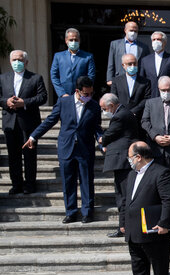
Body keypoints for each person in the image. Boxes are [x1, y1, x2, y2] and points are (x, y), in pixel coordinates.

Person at [28, 76, 101, 224]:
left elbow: (97, 128)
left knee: (87, 181)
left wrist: (102, 141)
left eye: (91, 93)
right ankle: (71, 212)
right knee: (68, 182)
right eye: (85, 94)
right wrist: (34, 136)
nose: (89, 96)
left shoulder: (94, 106)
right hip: (66, 148)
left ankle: (87, 212)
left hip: (85, 149)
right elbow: (49, 121)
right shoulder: (63, 102)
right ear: (77, 91)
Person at [121, 141, 170, 275]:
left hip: (155, 231)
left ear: (138, 157)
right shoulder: (132, 175)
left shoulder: (161, 172)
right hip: (133, 231)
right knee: (138, 269)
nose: (128, 160)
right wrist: (123, 222)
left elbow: (169, 200)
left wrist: (164, 223)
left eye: (130, 156)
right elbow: (126, 201)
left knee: (159, 269)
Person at [0, 50, 47, 194]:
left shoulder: (35, 78)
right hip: (10, 122)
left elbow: (42, 97)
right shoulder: (3, 78)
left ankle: (30, 184)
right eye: (14, 60)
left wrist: (24, 103)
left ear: (26, 62)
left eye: (19, 60)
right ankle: (16, 184)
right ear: (10, 61)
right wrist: (6, 102)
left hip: (29, 123)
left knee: (29, 155)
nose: (17, 63)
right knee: (13, 156)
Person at [98, 93, 140, 238]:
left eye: (104, 108)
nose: (104, 111)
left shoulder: (120, 116)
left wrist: (102, 139)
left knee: (123, 195)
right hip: (122, 160)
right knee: (121, 194)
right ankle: (123, 226)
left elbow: (108, 135)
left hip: (122, 160)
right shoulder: (124, 113)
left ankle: (124, 226)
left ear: (111, 106)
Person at [50, 28, 95, 99]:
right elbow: (54, 76)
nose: (73, 42)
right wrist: (62, 93)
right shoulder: (58, 56)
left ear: (79, 40)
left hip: (81, 97)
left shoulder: (88, 57)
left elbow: (91, 76)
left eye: (76, 40)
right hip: (64, 96)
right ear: (66, 40)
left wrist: (82, 92)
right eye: (71, 40)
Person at [139, 31, 170, 98]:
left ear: (164, 42)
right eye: (154, 39)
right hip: (150, 99)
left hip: (168, 98)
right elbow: (142, 81)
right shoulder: (145, 60)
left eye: (158, 39)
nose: (156, 41)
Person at [110, 54, 151, 122]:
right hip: (120, 117)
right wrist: (123, 112)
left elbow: (147, 98)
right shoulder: (116, 81)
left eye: (134, 63)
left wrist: (134, 111)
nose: (133, 66)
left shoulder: (145, 82)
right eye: (130, 64)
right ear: (123, 65)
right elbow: (114, 97)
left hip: (138, 118)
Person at [106, 21, 150, 86]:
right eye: (131, 30)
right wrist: (109, 79)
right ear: (125, 30)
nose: (133, 33)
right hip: (119, 78)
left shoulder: (144, 47)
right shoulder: (115, 44)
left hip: (138, 80)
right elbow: (111, 63)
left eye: (135, 31)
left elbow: (147, 66)